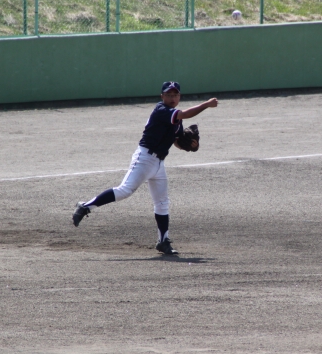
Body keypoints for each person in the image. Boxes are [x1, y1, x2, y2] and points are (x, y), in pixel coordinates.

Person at [72, 81, 218, 255]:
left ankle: (163, 241)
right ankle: (86, 206)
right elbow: (185, 114)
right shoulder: (161, 110)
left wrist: (190, 146)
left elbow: (177, 141)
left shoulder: (176, 120)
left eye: (175, 95)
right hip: (144, 159)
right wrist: (206, 104)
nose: (172, 98)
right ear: (162, 96)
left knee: (162, 203)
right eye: (168, 95)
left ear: (179, 96)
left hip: (159, 163)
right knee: (125, 190)